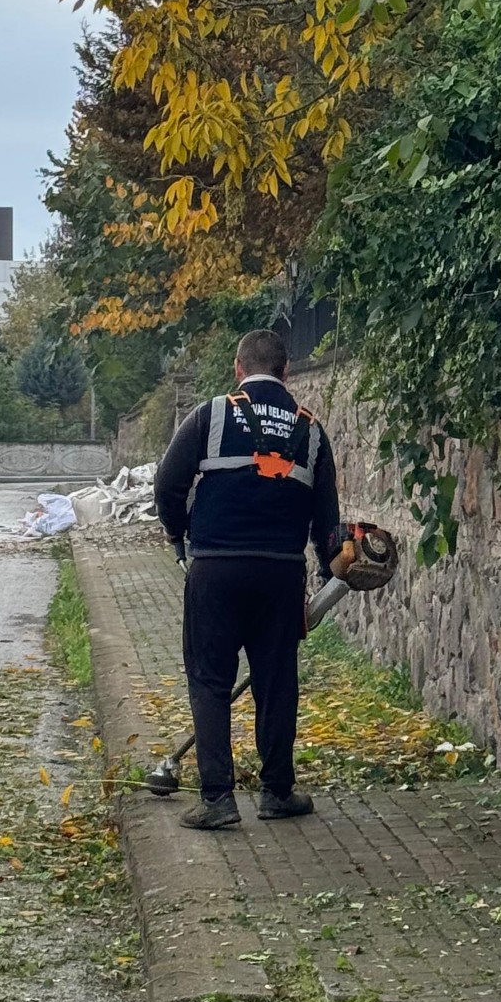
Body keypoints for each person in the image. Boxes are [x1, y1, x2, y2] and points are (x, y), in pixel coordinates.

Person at [153, 328, 342, 830]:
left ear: (238, 370)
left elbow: (167, 484)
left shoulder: (211, 414)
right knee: (276, 684)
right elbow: (328, 522)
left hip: (215, 569)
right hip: (280, 575)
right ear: (286, 373)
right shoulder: (312, 430)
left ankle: (217, 799)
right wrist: (329, 575)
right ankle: (277, 792)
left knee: (210, 680)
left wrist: (180, 534)